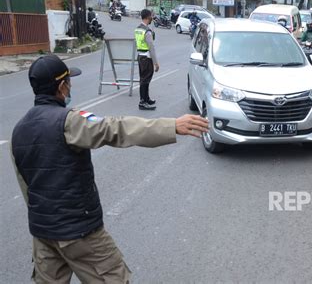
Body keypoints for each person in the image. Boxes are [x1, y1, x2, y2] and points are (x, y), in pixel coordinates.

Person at [11, 55, 209, 283]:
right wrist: (171, 126)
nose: (70, 86)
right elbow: (115, 128)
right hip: (80, 233)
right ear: (61, 86)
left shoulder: (18, 130)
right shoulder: (69, 121)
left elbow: (25, 184)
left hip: (43, 234)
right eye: (69, 81)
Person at [135, 9, 159, 110]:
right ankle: (142, 102)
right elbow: (151, 47)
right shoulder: (147, 32)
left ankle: (146, 98)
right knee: (145, 80)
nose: (151, 18)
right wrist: (156, 63)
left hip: (140, 57)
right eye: (151, 17)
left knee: (144, 79)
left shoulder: (138, 29)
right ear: (147, 17)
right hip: (147, 57)